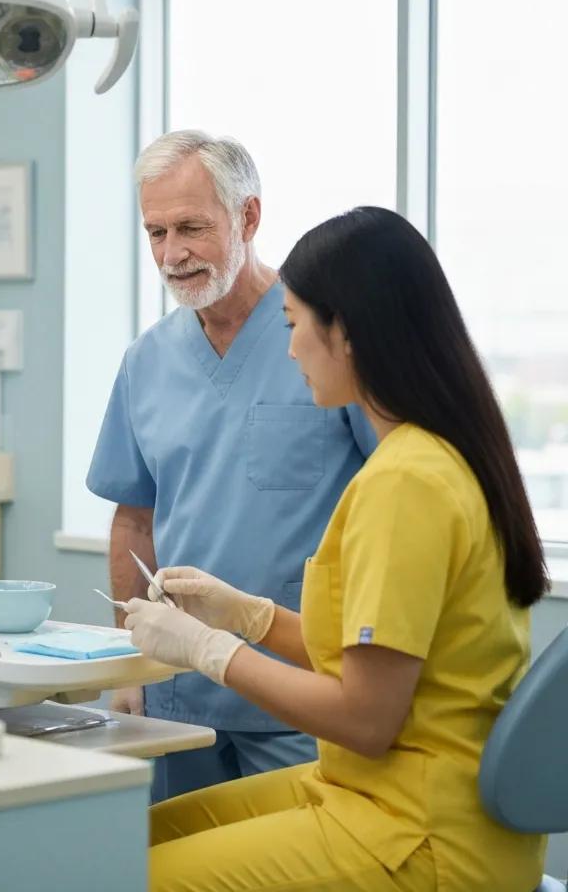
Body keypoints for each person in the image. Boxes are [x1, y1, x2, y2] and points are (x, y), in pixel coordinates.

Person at [124, 206, 549, 891]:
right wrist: (245, 615)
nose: (288, 349)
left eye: (294, 326)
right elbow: (369, 659)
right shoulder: (428, 456)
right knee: (126, 834)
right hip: (373, 792)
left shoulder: (407, 482)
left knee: (132, 874)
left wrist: (208, 651)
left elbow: (365, 717)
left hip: (418, 833)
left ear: (345, 332)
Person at [87, 130, 375, 799]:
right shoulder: (147, 361)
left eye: (191, 227)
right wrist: (132, 659)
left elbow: (398, 496)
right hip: (180, 691)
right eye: (155, 232)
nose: (171, 253)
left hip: (304, 693)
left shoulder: (324, 343)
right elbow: (134, 521)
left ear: (249, 216)